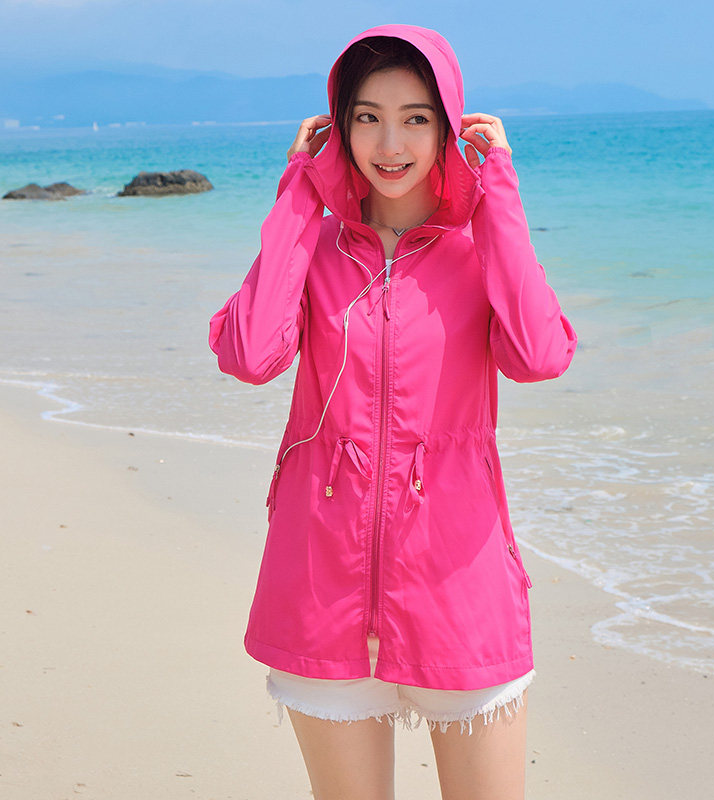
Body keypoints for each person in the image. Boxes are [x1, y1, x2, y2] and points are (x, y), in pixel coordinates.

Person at [209, 23, 576, 800]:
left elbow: (539, 355)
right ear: (339, 129)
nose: (390, 142)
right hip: (319, 591)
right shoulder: (315, 251)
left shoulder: (477, 252)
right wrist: (298, 194)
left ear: (447, 130)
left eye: (416, 118)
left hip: (459, 590)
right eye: (368, 116)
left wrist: (498, 194)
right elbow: (249, 354)